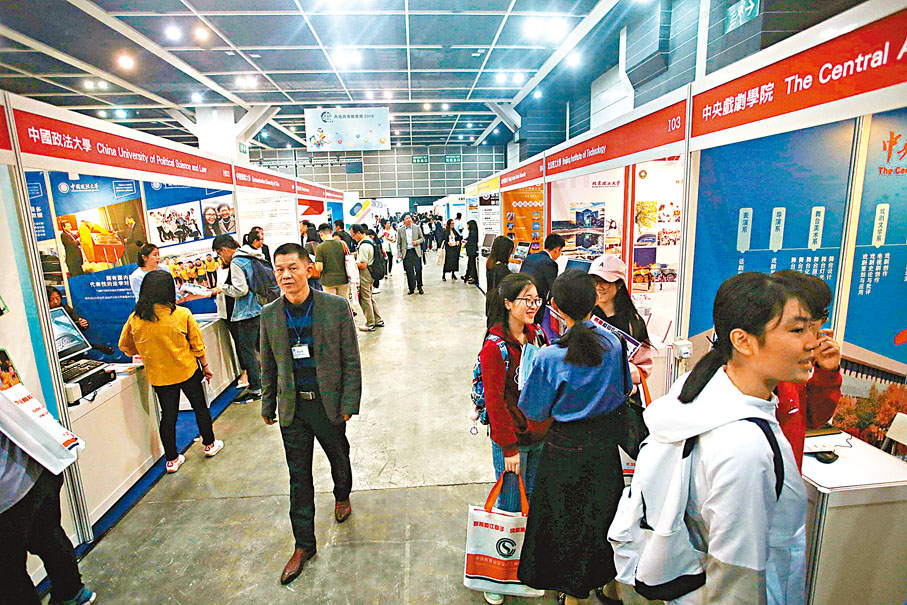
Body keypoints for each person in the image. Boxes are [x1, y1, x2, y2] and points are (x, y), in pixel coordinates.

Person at [623, 272, 812, 604]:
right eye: (797, 330)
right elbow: (737, 578)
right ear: (742, 341)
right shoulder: (745, 448)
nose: (812, 342)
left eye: (812, 327)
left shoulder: (700, 388)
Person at [516, 271, 629, 604]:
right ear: (595, 300)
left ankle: (574, 595)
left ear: (555, 307)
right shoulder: (614, 343)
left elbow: (534, 410)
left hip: (564, 449)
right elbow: (624, 389)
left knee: (566, 523)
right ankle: (611, 586)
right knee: (605, 517)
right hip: (605, 448)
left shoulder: (549, 356)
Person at [259, 243, 361, 585]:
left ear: (309, 269)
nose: (286, 275)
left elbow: (351, 359)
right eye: (279, 269)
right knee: (298, 477)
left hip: (327, 403)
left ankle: (342, 494)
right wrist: (267, 403)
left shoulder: (335, 307)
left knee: (338, 456)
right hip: (293, 408)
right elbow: (268, 363)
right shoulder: (270, 314)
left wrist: (349, 403)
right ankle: (304, 545)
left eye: (292, 268)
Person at [479, 272, 551, 605]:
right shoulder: (494, 347)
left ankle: (522, 568)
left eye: (537, 299)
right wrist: (508, 447)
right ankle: (497, 577)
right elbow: (495, 401)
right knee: (508, 506)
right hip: (512, 443)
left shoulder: (539, 337)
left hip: (539, 436)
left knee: (530, 503)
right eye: (526, 299)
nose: (533, 306)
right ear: (508, 304)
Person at [118, 270, 224, 474]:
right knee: (200, 407)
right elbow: (197, 344)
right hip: (187, 370)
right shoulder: (182, 314)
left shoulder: (136, 318)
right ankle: (209, 445)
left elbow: (126, 345)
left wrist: (145, 352)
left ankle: (172, 459)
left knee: (168, 416)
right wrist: (205, 366)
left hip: (159, 376)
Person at [0, 432, 97, 605]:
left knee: (9, 576)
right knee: (50, 538)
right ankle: (73, 594)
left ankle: (72, 594)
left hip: (8, 495)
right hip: (37, 467)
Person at [772, 271, 842, 470]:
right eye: (801, 329)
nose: (812, 341)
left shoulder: (793, 369)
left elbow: (812, 418)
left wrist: (827, 371)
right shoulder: (767, 373)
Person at [588, 254, 655, 398]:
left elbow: (643, 369)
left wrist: (628, 375)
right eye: (594, 281)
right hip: (591, 398)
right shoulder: (585, 316)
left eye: (604, 281)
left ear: (619, 284)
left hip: (621, 400)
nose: (598, 287)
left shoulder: (633, 323)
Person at [211, 235, 265, 403]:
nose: (221, 258)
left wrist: (223, 288)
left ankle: (256, 388)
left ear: (224, 250)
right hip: (258, 307)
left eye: (220, 254)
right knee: (262, 348)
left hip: (246, 312)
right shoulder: (251, 254)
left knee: (247, 351)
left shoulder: (236, 261)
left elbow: (241, 290)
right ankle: (269, 382)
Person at [519, 234, 565, 314]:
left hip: (521, 301)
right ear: (557, 250)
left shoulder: (530, 257)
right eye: (560, 251)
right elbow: (553, 289)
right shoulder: (550, 263)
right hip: (535, 306)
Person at [351, 224, 384, 332]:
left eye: (353, 235)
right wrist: (353, 255)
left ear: (359, 233)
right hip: (371, 273)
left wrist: (351, 264)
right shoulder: (368, 241)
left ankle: (370, 323)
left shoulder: (364, 246)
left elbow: (363, 264)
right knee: (369, 297)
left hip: (366, 273)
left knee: (365, 299)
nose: (353, 238)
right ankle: (377, 320)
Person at [315, 223, 353, 308]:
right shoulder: (342, 244)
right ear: (331, 232)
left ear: (321, 234)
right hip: (343, 279)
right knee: (344, 304)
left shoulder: (320, 247)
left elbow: (319, 268)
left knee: (331, 306)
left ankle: (334, 321)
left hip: (328, 281)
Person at [396, 213, 424, 295]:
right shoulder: (400, 230)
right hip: (406, 252)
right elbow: (399, 243)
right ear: (403, 220)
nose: (408, 220)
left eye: (409, 218)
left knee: (418, 269)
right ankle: (411, 288)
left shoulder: (417, 227)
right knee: (409, 271)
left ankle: (420, 286)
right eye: (406, 218)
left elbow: (422, 238)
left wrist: (417, 242)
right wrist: (399, 253)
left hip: (416, 251)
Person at [462, 220, 479, 285]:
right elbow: (469, 238)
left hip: (472, 250)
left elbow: (471, 242)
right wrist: (466, 239)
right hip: (471, 250)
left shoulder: (473, 233)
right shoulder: (472, 232)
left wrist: (465, 244)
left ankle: (473, 277)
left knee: (472, 264)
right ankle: (467, 276)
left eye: (468, 225)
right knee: (470, 263)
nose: (467, 227)